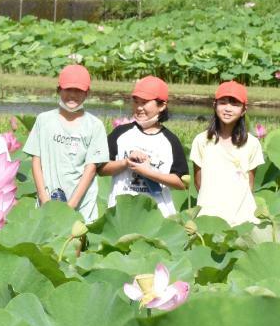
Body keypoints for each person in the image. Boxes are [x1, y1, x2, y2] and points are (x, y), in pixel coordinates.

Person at [23, 65, 109, 222]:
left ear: (87, 93)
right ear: (58, 90)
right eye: (68, 89)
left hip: (81, 203)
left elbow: (91, 169)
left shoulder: (95, 125)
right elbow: (36, 161)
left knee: (75, 243)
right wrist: (43, 197)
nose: (73, 95)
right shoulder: (44, 120)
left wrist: (71, 205)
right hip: (47, 199)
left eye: (78, 91)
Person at [99, 76, 188, 217]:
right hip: (121, 214)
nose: (139, 107)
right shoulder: (121, 133)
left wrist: (149, 173)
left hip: (158, 215)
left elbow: (182, 183)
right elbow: (101, 169)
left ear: (162, 106)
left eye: (145, 102)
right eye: (136, 102)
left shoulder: (170, 141)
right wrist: (126, 162)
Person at [190, 81, 264, 226]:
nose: (228, 109)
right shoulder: (201, 141)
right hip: (209, 216)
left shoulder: (252, 143)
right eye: (223, 103)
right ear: (214, 105)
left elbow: (249, 184)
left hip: (242, 216)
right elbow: (199, 182)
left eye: (235, 104)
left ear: (244, 110)